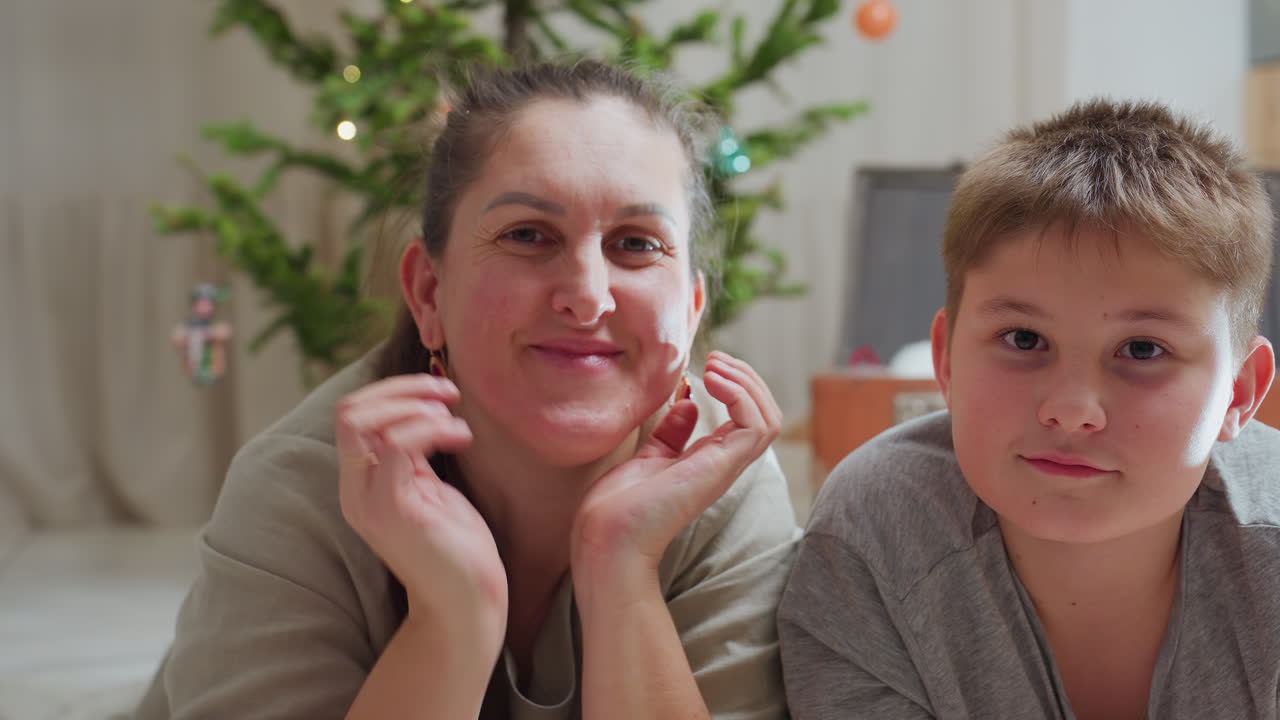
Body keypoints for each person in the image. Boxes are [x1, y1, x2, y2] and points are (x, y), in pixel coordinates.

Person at [136, 60, 799, 720]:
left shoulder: (725, 481)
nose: (587, 297)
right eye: (529, 236)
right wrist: (454, 614)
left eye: (636, 243)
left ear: (689, 310)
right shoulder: (297, 489)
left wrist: (621, 569)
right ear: (429, 292)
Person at [779, 98, 1280, 719]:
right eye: (1024, 339)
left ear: (1239, 391)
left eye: (1143, 349)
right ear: (948, 361)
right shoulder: (875, 536)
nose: (1072, 411)